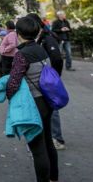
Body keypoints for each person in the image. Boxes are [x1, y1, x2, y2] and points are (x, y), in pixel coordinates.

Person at [7, 16, 59, 182]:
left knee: (37, 148)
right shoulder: (41, 49)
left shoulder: (22, 54)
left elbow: (13, 83)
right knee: (48, 141)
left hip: (34, 104)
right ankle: (54, 178)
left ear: (18, 33)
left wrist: (9, 96)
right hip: (47, 100)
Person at [26, 13, 65, 150]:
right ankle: (47, 137)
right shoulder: (38, 38)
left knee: (52, 109)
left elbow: (57, 59)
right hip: (41, 81)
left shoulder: (48, 38)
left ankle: (57, 139)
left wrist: (54, 77)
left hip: (48, 81)